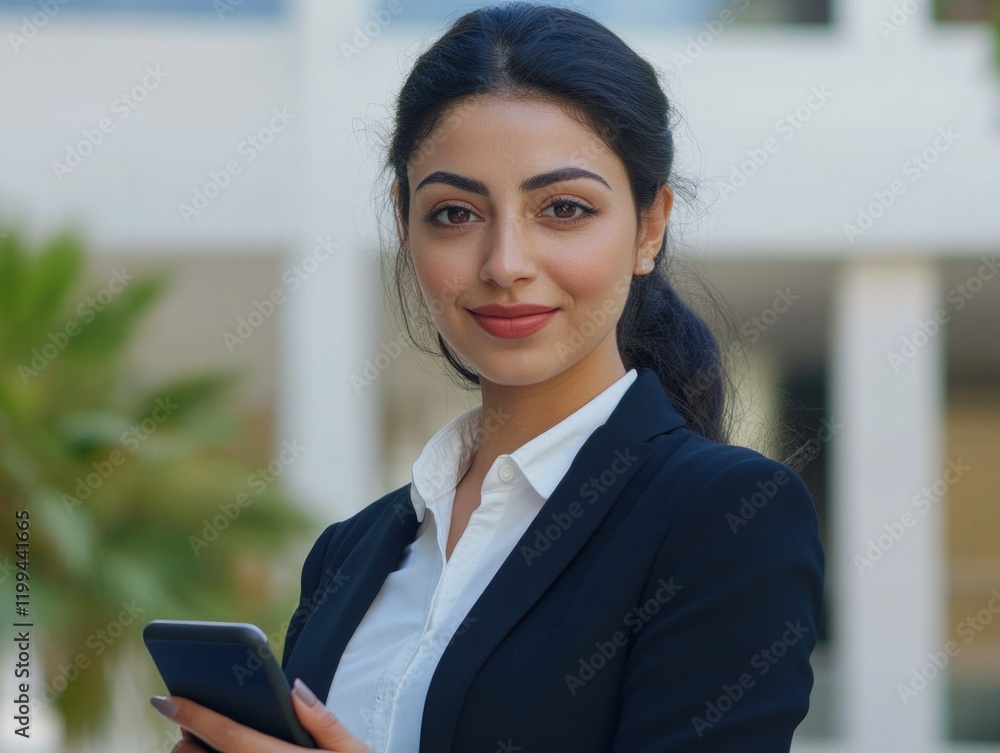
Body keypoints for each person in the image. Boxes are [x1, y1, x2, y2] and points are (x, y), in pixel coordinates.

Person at [150, 2, 825, 751]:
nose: (505, 263)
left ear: (649, 227)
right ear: (405, 227)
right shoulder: (349, 552)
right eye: (454, 214)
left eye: (563, 208)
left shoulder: (724, 519)